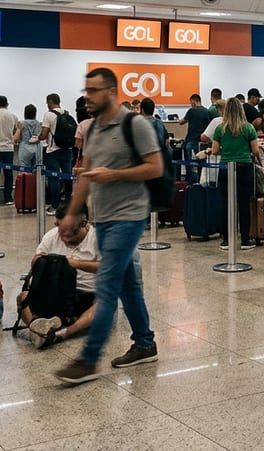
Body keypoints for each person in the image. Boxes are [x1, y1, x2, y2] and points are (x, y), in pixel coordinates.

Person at [54, 67, 162, 384]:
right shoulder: (94, 129)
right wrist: (73, 212)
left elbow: (154, 167)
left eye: (94, 90)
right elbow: (87, 176)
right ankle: (145, 343)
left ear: (112, 91)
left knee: (108, 284)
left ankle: (88, 360)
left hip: (129, 217)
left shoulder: (135, 124)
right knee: (128, 285)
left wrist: (113, 175)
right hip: (104, 219)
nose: (87, 96)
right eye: (86, 90)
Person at [18, 201, 100, 350]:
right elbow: (37, 269)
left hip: (90, 293)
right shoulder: (51, 236)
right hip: (58, 293)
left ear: (84, 223)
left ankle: (61, 333)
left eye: (71, 232)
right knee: (23, 297)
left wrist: (76, 263)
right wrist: (37, 262)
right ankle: (38, 328)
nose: (65, 238)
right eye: (61, 231)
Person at [211, 98, 260, 250]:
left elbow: (214, 150)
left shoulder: (220, 129)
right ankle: (245, 240)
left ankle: (226, 240)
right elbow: (256, 150)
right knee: (244, 205)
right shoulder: (248, 128)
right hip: (244, 168)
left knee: (226, 204)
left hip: (225, 168)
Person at [41, 93, 75, 216]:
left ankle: (55, 205)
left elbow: (44, 134)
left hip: (53, 151)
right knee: (68, 177)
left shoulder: (48, 115)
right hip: (67, 150)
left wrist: (38, 137)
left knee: (53, 178)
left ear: (50, 102)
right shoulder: (67, 114)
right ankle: (68, 204)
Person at [179, 94, 212, 184]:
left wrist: (178, 119)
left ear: (194, 101)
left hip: (191, 141)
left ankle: (193, 186)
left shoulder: (191, 110)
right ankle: (202, 184)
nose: (191, 104)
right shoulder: (207, 111)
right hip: (203, 144)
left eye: (191, 102)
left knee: (192, 166)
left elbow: (182, 122)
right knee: (202, 165)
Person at [14, 103, 43, 168]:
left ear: (25, 113)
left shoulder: (21, 123)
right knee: (36, 172)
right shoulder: (38, 123)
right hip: (37, 148)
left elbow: (15, 138)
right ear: (35, 114)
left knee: (25, 172)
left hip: (25, 148)